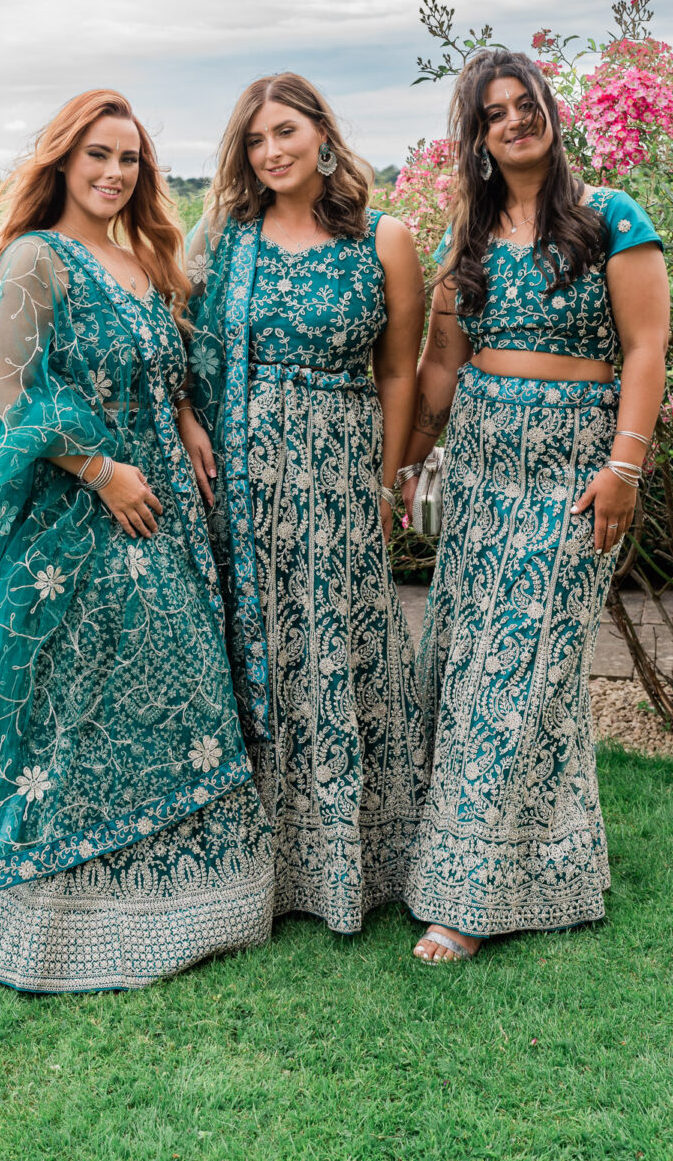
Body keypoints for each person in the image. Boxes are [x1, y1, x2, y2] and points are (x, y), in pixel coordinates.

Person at [0, 90, 272, 999]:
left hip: (161, 525)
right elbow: (2, 391)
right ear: (61, 162)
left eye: (129, 159)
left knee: (176, 698)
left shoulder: (140, 259)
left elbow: (162, 367)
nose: (115, 174)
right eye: (97, 156)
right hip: (78, 531)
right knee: (74, 722)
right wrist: (98, 469)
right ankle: (53, 927)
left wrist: (188, 419)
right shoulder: (38, 259)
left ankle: (197, 905)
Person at [399, 49, 669, 963]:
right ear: (475, 139)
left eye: (527, 104)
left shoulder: (609, 220)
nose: (516, 120)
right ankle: (533, 867)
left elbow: (644, 350)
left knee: (527, 671)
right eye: (494, 113)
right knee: (471, 665)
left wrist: (622, 469)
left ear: (549, 112)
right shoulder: (464, 244)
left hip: (572, 482)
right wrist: (404, 465)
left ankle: (472, 898)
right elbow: (440, 367)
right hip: (478, 479)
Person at [179, 73, 429, 933]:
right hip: (242, 479)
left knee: (340, 645)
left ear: (323, 135)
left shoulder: (384, 240)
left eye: (284, 131)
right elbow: (169, 339)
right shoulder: (223, 238)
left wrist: (389, 480)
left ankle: (358, 856)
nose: (270, 151)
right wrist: (185, 417)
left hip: (340, 473)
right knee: (259, 650)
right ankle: (262, 864)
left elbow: (398, 369)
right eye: (254, 139)